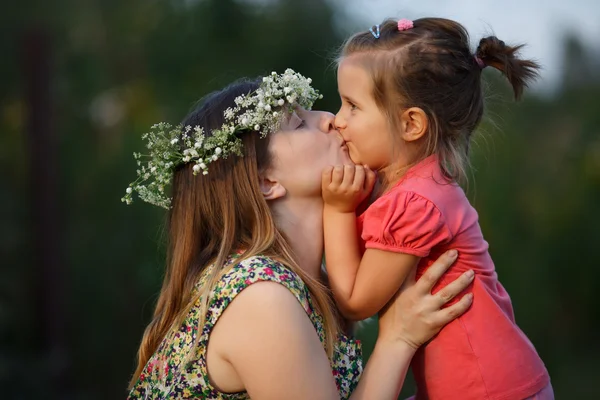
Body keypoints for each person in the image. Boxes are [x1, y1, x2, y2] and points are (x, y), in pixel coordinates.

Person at [122, 70, 475, 399]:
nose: (329, 120)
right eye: (298, 124)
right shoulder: (260, 297)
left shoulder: (303, 286)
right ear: (265, 182)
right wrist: (398, 338)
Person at [321, 17, 552, 400]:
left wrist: (337, 210)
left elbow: (356, 301)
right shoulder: (417, 187)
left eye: (352, 106)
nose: (337, 120)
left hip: (491, 391)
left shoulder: (415, 202)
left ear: (411, 124)